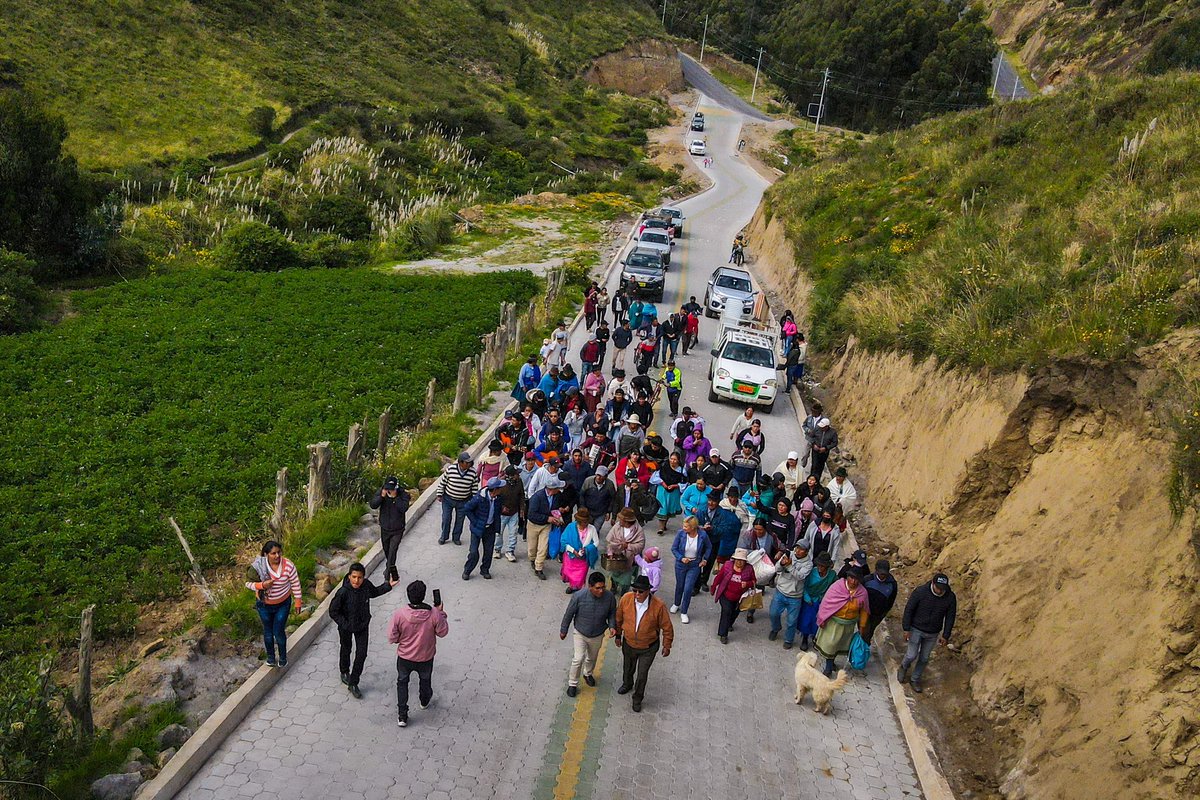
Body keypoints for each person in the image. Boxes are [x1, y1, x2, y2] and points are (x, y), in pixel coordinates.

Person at [330, 562, 397, 698]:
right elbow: (333, 611)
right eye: (354, 577)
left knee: (362, 654)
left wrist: (388, 586)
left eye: (359, 577)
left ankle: (354, 682)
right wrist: (345, 624)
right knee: (346, 648)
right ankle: (344, 671)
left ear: (363, 577)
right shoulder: (343, 592)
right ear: (349, 576)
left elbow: (375, 592)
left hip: (362, 625)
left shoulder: (366, 586)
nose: (356, 581)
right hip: (346, 627)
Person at [388, 580, 449, 728]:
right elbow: (443, 632)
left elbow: (391, 636)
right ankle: (424, 700)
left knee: (402, 683)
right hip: (425, 657)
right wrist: (441, 613)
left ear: (408, 596)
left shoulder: (400, 614)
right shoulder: (434, 614)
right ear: (423, 595)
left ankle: (402, 715)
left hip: (404, 657)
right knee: (425, 680)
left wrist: (399, 640)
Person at [614, 574, 674, 712]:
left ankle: (637, 698)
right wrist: (618, 635)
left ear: (648, 591)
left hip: (648, 647)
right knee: (628, 668)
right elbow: (619, 619)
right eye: (634, 590)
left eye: (640, 591)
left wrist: (667, 645)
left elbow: (667, 627)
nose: (637, 594)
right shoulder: (626, 599)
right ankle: (627, 684)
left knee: (642, 675)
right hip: (628, 643)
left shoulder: (659, 606)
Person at [245, 540, 302, 668]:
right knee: (268, 631)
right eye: (273, 553)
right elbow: (248, 584)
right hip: (264, 605)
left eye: (278, 553)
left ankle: (283, 657)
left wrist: (298, 601)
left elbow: (295, 583)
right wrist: (262, 585)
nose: (277, 556)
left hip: (282, 603)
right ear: (266, 554)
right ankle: (271, 658)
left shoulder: (288, 566)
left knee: (278, 631)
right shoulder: (259, 567)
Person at [560, 572, 617, 697]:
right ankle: (572, 683)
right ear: (590, 586)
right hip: (580, 633)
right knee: (578, 658)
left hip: (597, 634)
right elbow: (569, 614)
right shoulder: (578, 596)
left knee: (592, 657)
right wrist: (563, 629)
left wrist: (612, 626)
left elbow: (612, 614)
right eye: (598, 588)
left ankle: (588, 673)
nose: (601, 591)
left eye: (603, 587)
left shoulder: (610, 597)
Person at [899, 573, 958, 693]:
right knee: (911, 655)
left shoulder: (950, 598)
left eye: (943, 589)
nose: (940, 591)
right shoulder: (920, 592)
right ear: (933, 584)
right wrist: (906, 628)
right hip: (916, 628)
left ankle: (915, 679)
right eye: (938, 588)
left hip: (933, 633)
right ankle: (904, 666)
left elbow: (950, 617)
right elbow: (909, 609)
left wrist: (946, 635)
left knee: (924, 658)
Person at [815, 566, 869, 677]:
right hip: (833, 622)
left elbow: (864, 611)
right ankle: (828, 668)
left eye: (856, 579)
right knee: (831, 644)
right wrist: (822, 618)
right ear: (847, 577)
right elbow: (826, 603)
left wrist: (862, 626)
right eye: (851, 578)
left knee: (839, 645)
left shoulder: (862, 593)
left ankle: (832, 663)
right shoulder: (837, 587)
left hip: (848, 625)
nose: (853, 582)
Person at [768, 542, 812, 650]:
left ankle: (788, 639)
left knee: (792, 621)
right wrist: (782, 563)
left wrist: (789, 565)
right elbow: (777, 569)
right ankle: (775, 628)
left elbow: (800, 576)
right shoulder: (788, 554)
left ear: (806, 552)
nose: (797, 550)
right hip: (781, 591)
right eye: (797, 548)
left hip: (795, 596)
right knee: (773, 613)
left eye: (801, 549)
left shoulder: (808, 564)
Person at [669, 516, 710, 623]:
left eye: (686, 526)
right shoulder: (680, 534)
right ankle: (676, 603)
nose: (684, 528)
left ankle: (684, 612)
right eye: (683, 525)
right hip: (681, 564)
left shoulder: (702, 535)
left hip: (694, 565)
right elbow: (674, 548)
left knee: (688, 588)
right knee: (680, 585)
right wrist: (681, 558)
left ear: (693, 527)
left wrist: (705, 559)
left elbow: (709, 547)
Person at [462, 477, 504, 581]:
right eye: (500, 488)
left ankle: (485, 570)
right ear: (494, 489)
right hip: (477, 529)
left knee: (488, 551)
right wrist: (475, 521)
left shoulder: (498, 498)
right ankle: (467, 570)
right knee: (473, 552)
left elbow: (497, 513)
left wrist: (497, 527)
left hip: (490, 529)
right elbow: (467, 508)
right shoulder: (479, 498)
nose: (501, 490)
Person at [711, 548, 756, 644]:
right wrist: (714, 587)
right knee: (726, 611)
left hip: (740, 597)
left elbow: (754, 581)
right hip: (726, 594)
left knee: (735, 613)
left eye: (742, 561)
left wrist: (747, 584)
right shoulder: (727, 565)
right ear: (734, 559)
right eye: (738, 560)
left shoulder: (749, 568)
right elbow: (719, 577)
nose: (739, 562)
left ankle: (729, 624)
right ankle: (723, 634)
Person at [370, 476, 410, 582]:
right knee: (387, 551)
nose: (389, 491)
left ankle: (387, 575)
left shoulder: (403, 494)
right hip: (385, 528)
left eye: (391, 489)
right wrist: (381, 497)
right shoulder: (382, 492)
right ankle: (394, 572)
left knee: (393, 551)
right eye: (388, 488)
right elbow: (373, 505)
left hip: (397, 529)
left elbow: (403, 508)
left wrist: (394, 498)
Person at [527, 477, 566, 580]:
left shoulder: (556, 496)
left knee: (543, 547)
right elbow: (531, 514)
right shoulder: (537, 497)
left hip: (546, 526)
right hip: (534, 525)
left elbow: (554, 508)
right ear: (550, 489)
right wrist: (547, 518)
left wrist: (558, 517)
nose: (559, 490)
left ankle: (538, 567)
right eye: (557, 488)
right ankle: (532, 559)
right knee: (532, 547)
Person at [437, 452, 479, 546]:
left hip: (463, 501)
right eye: (466, 462)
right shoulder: (451, 469)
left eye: (469, 462)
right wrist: (439, 494)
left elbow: (474, 488)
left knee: (460, 520)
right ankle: (444, 537)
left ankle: (456, 538)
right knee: (446, 518)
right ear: (460, 462)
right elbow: (443, 483)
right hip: (448, 499)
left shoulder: (473, 473)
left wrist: (474, 501)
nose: (468, 464)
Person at [797, 552, 836, 650]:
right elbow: (804, 586)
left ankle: (815, 637)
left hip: (821, 600)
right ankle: (805, 638)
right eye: (819, 565)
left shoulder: (832, 575)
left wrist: (826, 598)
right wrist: (807, 598)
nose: (820, 567)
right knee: (806, 620)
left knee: (818, 620)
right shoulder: (811, 572)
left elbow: (834, 587)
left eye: (822, 566)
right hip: (809, 599)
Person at [605, 507, 645, 597]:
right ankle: (614, 587)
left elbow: (640, 545)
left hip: (629, 560)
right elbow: (610, 541)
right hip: (617, 557)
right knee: (614, 574)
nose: (620, 521)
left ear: (627, 521)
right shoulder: (617, 526)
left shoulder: (638, 531)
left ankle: (624, 592)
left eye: (621, 519)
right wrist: (610, 553)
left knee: (626, 580)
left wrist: (628, 546)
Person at [560, 508, 600, 593]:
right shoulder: (570, 527)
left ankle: (579, 588)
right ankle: (571, 586)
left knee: (581, 575)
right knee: (569, 572)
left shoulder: (592, 529)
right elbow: (563, 541)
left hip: (583, 558)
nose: (585, 524)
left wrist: (586, 549)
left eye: (586, 522)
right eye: (583, 522)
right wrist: (573, 551)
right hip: (571, 556)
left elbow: (596, 542)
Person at [863, 559, 898, 644]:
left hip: (877, 615)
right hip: (864, 612)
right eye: (880, 573)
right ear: (876, 570)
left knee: (869, 633)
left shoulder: (892, 584)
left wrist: (883, 613)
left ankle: (861, 651)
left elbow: (891, 600)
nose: (882, 575)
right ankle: (859, 651)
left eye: (884, 573)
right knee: (864, 633)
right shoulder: (867, 580)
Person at [496, 465, 524, 562]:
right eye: (517, 474)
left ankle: (510, 551)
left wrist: (521, 509)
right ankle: (497, 549)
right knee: (499, 532)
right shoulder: (501, 483)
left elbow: (521, 495)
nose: (518, 476)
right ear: (511, 476)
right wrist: (501, 507)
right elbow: (495, 497)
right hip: (502, 514)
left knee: (513, 532)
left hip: (514, 512)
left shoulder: (519, 482)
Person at [653, 452, 685, 535]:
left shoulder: (681, 470)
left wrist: (675, 485)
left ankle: (664, 524)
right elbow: (656, 476)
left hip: (674, 492)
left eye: (675, 459)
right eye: (671, 459)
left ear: (678, 461)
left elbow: (685, 482)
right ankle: (661, 527)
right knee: (662, 507)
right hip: (662, 489)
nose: (673, 461)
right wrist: (662, 483)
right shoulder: (664, 466)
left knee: (669, 507)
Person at [580, 466, 617, 534]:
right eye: (597, 475)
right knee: (586, 530)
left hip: (601, 512)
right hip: (588, 511)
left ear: (606, 476)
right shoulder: (588, 481)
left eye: (601, 476)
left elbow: (613, 498)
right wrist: (583, 507)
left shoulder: (610, 485)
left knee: (595, 531)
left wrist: (609, 511)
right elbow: (582, 495)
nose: (598, 478)